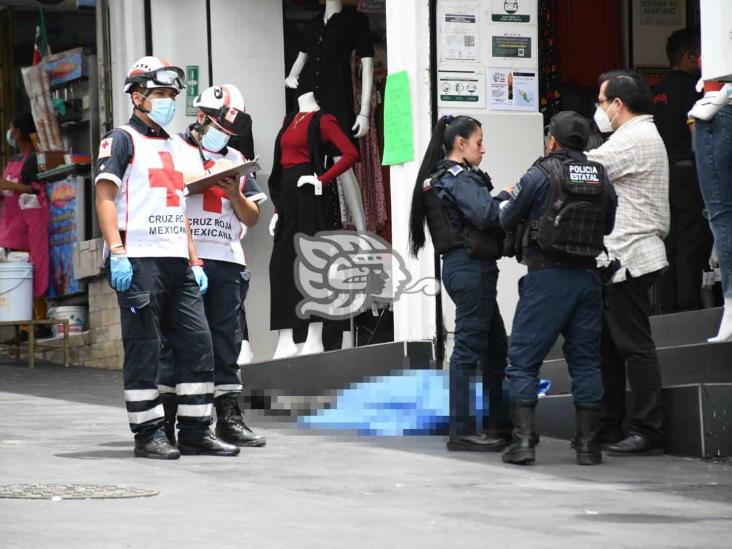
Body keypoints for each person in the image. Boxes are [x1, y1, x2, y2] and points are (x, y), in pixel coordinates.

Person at [94, 56, 239, 459]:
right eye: (159, 94)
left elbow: (177, 205)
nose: (167, 102)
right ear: (138, 97)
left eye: (171, 95)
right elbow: (105, 197)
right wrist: (117, 252)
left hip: (177, 259)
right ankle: (149, 434)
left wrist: (194, 260)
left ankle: (194, 430)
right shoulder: (120, 139)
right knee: (145, 348)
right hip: (138, 258)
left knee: (198, 343)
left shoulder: (177, 146)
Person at [498, 112, 617, 466]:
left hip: (547, 278)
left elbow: (507, 217)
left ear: (552, 139)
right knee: (585, 362)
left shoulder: (541, 172)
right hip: (587, 279)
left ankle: (522, 443)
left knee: (522, 359)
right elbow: (608, 224)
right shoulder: (601, 175)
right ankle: (587, 447)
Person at [157, 84, 266, 448]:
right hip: (186, 259)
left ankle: (228, 419)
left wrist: (234, 192)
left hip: (227, 260)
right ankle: (169, 420)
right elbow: (162, 195)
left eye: (230, 132)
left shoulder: (236, 158)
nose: (224, 136)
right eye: (220, 127)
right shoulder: (174, 149)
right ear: (201, 116)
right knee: (178, 341)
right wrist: (192, 185)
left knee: (225, 342)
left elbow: (252, 217)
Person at [408, 114, 510, 452]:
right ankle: (463, 430)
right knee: (468, 350)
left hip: (460, 268)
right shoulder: (458, 178)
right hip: (470, 269)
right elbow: (487, 216)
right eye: (479, 142)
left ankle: (500, 424)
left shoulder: (438, 178)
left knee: (495, 348)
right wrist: (508, 198)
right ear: (460, 144)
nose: (484, 149)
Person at [587, 70, 670, 456]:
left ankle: (647, 429)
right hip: (623, 257)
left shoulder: (633, 138)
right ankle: (610, 425)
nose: (599, 110)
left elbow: (585, 169)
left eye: (602, 102)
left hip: (631, 255)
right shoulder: (637, 135)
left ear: (618, 105)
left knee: (633, 346)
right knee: (609, 345)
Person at [652, 29, 713, 314]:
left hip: (662, 175)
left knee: (668, 237)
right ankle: (688, 304)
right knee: (691, 237)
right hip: (689, 173)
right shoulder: (696, 90)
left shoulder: (656, 92)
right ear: (690, 57)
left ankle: (667, 303)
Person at [1, 110, 50, 316]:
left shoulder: (33, 160)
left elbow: (36, 189)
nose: (10, 132)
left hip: (26, 222)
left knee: (30, 269)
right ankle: (19, 319)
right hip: (8, 225)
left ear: (20, 131)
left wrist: (8, 185)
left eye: (13, 128)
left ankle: (37, 316)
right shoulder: (14, 159)